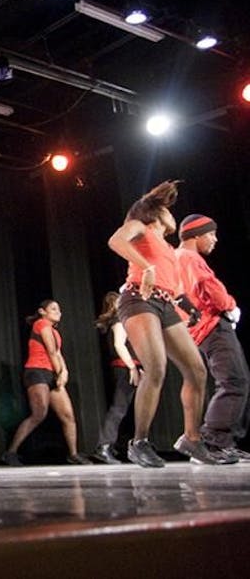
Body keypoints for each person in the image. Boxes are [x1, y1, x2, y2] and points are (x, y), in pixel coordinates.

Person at [107, 180, 224, 467]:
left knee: (196, 370)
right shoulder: (140, 226)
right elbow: (116, 241)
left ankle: (192, 439)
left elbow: (172, 285)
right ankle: (139, 442)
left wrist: (188, 306)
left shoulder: (169, 248)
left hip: (165, 303)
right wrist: (145, 267)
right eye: (168, 210)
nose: (173, 215)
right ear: (156, 213)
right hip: (138, 299)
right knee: (156, 367)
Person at [176, 214, 250, 462]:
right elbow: (208, 284)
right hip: (212, 326)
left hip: (200, 329)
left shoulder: (176, 258)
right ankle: (213, 441)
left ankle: (223, 442)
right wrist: (230, 305)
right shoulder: (189, 257)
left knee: (234, 380)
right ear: (196, 235)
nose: (215, 239)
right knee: (234, 381)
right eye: (211, 234)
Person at [2, 300, 90, 466]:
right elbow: (51, 351)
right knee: (39, 414)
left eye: (59, 309)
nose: (58, 312)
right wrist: (60, 372)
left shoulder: (55, 331)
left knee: (68, 416)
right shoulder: (41, 324)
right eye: (53, 309)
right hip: (36, 372)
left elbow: (58, 353)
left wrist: (64, 371)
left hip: (52, 373)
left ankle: (73, 454)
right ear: (42, 311)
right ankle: (10, 452)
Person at [91, 291, 141, 464]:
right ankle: (104, 446)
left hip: (129, 366)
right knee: (119, 407)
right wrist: (132, 367)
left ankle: (112, 445)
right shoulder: (119, 320)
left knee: (125, 408)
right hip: (124, 367)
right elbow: (119, 345)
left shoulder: (121, 320)